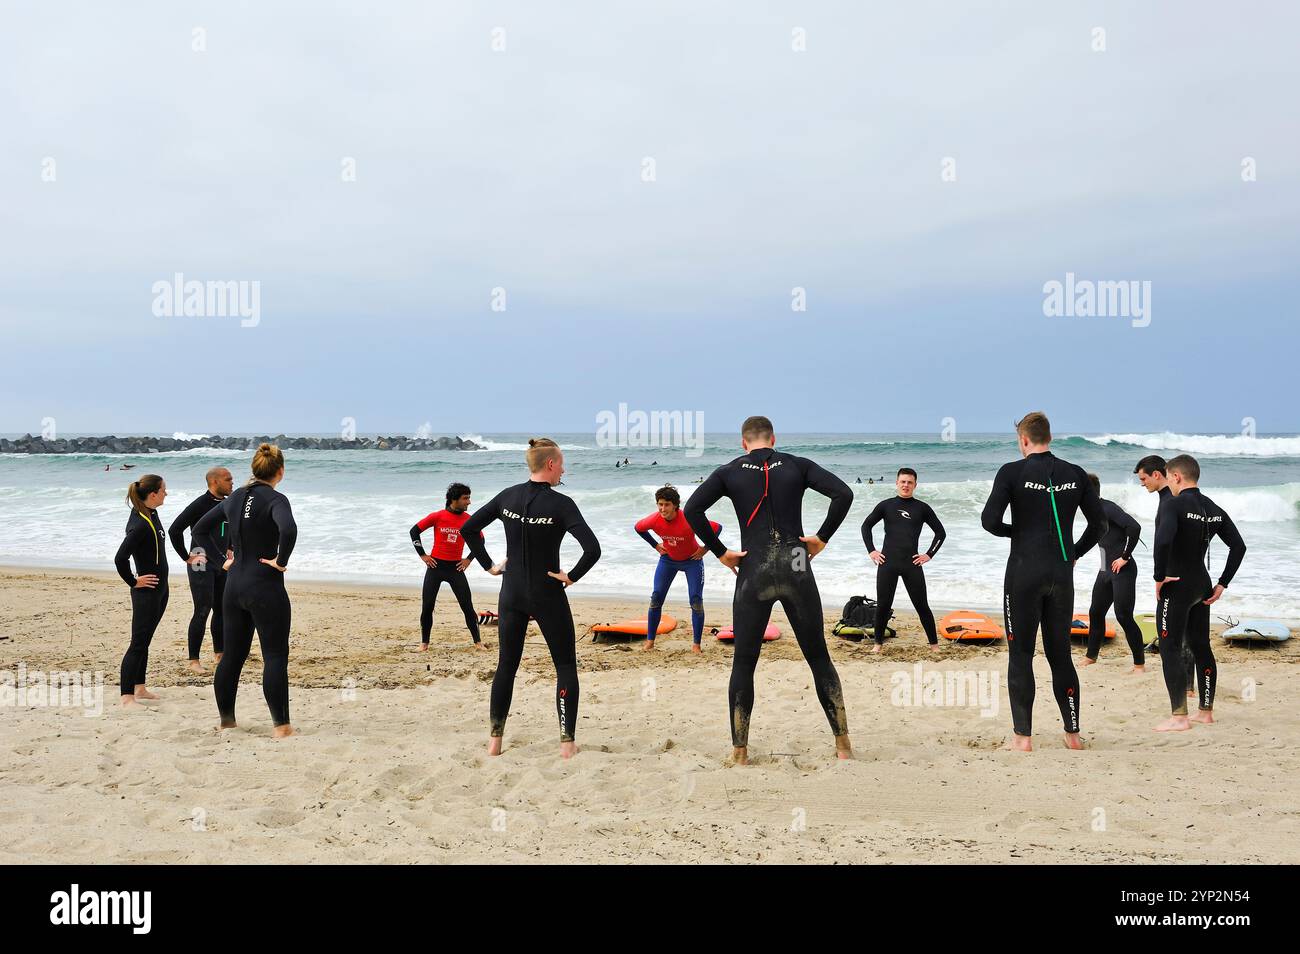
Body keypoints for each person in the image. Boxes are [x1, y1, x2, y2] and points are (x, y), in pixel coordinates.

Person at [684, 415, 853, 764]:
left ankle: (740, 753)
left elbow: (692, 509)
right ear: (773, 438)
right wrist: (821, 539)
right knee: (818, 656)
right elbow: (843, 494)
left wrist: (720, 551)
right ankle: (843, 748)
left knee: (744, 662)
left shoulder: (728, 471)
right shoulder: (797, 465)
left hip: (753, 566)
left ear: (743, 442)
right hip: (795, 561)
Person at [461, 438, 601, 759]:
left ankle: (495, 742)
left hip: (511, 593)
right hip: (547, 593)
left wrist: (490, 566)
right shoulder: (562, 504)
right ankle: (567, 744)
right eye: (562, 463)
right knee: (565, 665)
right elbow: (592, 549)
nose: (563, 469)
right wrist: (571, 576)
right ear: (550, 464)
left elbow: (470, 528)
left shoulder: (508, 496)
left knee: (506, 666)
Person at [981, 412, 1106, 751]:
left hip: (1023, 572)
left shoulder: (1011, 471)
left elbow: (989, 521)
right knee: (1060, 654)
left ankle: (1023, 738)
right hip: (1061, 574)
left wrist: (1019, 532)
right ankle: (1073, 735)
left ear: (1023, 440)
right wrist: (1073, 551)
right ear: (1048, 436)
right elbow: (1100, 526)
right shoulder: (1075, 474)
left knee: (1020, 654)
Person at [193, 444, 297, 737]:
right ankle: (282, 727)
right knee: (274, 656)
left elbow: (199, 529)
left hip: (233, 585)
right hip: (264, 585)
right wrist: (281, 561)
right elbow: (288, 530)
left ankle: (227, 721)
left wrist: (220, 562)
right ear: (280, 471)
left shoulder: (235, 496)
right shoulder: (276, 499)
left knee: (232, 657)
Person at [1152, 455, 1246, 732]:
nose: (1168, 483)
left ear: (1177, 477)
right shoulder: (1213, 508)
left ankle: (1179, 716)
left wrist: (1159, 577)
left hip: (1176, 586)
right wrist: (1222, 583)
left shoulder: (1174, 504)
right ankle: (1205, 712)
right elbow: (1238, 547)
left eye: (1169, 478)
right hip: (1202, 585)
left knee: (1169, 648)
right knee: (1200, 646)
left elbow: (1163, 540)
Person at [861, 467, 946, 653]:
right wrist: (872, 551)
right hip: (887, 563)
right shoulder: (886, 505)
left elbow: (941, 533)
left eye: (909, 482)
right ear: (897, 483)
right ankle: (877, 644)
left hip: (911, 564)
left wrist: (928, 554)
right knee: (883, 605)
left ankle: (934, 645)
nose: (906, 485)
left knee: (922, 606)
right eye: (903, 482)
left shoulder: (922, 508)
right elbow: (866, 526)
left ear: (915, 485)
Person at [633, 486, 721, 653]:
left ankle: (696, 645)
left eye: (666, 505)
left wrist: (706, 548)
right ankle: (650, 642)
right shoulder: (654, 519)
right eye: (659, 504)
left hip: (692, 561)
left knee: (696, 601)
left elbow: (717, 528)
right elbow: (638, 528)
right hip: (668, 560)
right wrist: (655, 545)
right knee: (656, 598)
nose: (662, 508)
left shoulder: (688, 518)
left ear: (675, 505)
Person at [1135, 455, 1195, 691]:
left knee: (1175, 634)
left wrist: (1161, 575)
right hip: (1186, 572)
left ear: (1157, 475)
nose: (1142, 484)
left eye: (1143, 478)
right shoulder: (1172, 497)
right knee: (1186, 632)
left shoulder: (1171, 499)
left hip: (1175, 576)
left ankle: (1186, 688)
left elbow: (1166, 541)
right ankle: (1189, 686)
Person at [168, 466, 233, 672]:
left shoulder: (227, 503)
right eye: (228, 479)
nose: (232, 482)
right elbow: (175, 529)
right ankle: (193, 661)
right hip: (200, 563)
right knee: (202, 610)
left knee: (221, 610)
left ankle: (219, 653)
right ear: (214, 482)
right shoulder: (200, 504)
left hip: (221, 562)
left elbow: (227, 528)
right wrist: (186, 557)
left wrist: (230, 547)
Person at [1078, 474, 1145, 671]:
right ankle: (1091, 656)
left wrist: (1125, 556)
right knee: (1095, 612)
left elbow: (1134, 526)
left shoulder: (1107, 507)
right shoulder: (1095, 512)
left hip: (1122, 570)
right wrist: (1075, 555)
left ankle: (1139, 664)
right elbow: (1090, 536)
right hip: (1105, 571)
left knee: (1123, 615)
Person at [113, 475, 169, 708]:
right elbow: (120, 558)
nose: (167, 493)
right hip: (146, 592)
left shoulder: (151, 514)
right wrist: (134, 581)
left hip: (159, 589)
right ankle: (127, 695)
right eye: (164, 490)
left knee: (145, 640)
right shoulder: (140, 524)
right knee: (138, 642)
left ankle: (140, 687)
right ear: (153, 494)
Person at [409, 482, 484, 650]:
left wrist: (469, 559)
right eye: (465, 498)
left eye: (469, 498)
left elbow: (481, 540)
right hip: (435, 567)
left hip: (456, 569)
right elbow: (414, 531)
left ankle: (478, 643)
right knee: (427, 607)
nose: (469, 502)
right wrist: (423, 555)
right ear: (453, 499)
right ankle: (424, 644)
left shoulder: (468, 520)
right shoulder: (437, 516)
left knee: (467, 606)